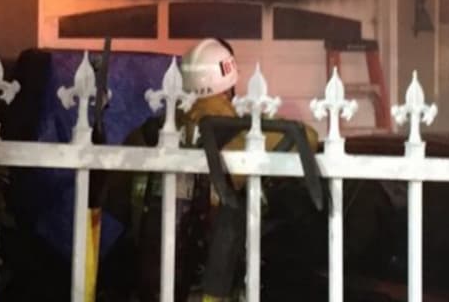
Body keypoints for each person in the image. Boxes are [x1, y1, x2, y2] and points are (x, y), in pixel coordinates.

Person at [107, 38, 319, 302]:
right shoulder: (245, 134)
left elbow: (113, 200)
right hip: (218, 289)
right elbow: (308, 136)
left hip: (154, 285)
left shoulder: (146, 135)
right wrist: (257, 118)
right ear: (230, 84)